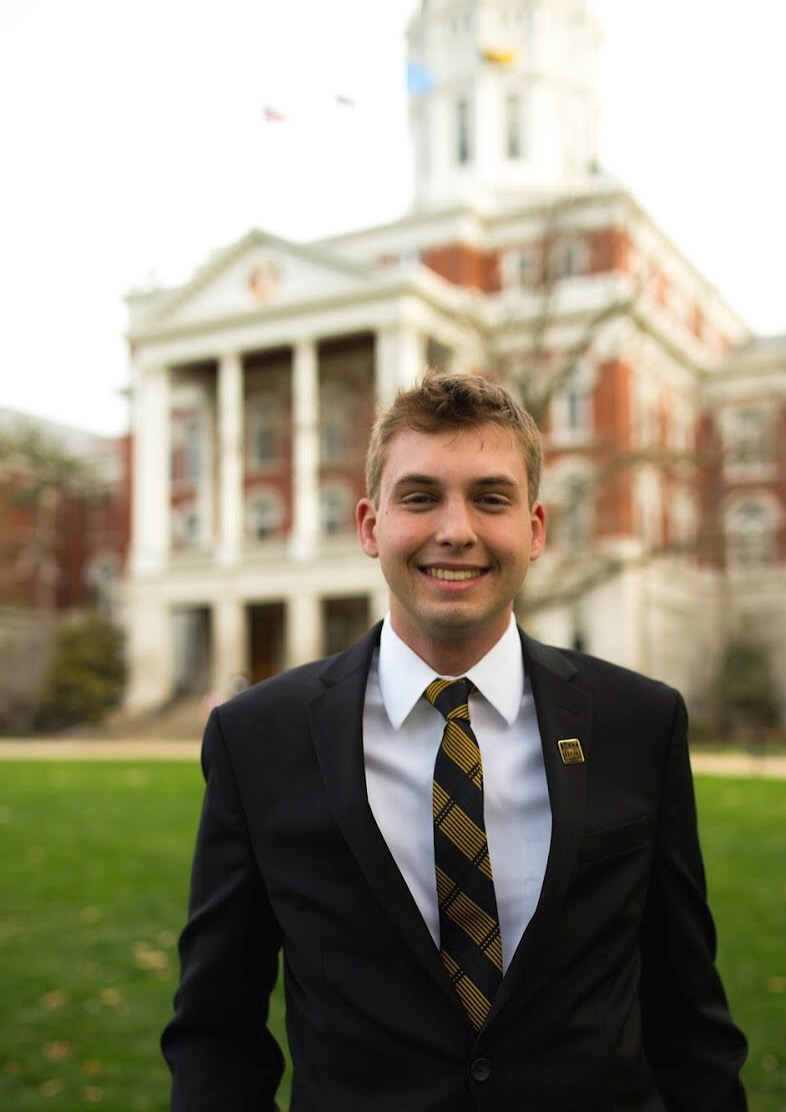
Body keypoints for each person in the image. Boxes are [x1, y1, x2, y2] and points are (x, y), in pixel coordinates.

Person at [162, 371, 748, 1111]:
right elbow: (216, 1031)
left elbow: (689, 1014)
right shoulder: (258, 738)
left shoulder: (640, 721)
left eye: (490, 498)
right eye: (420, 497)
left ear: (535, 528)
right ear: (370, 526)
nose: (456, 529)